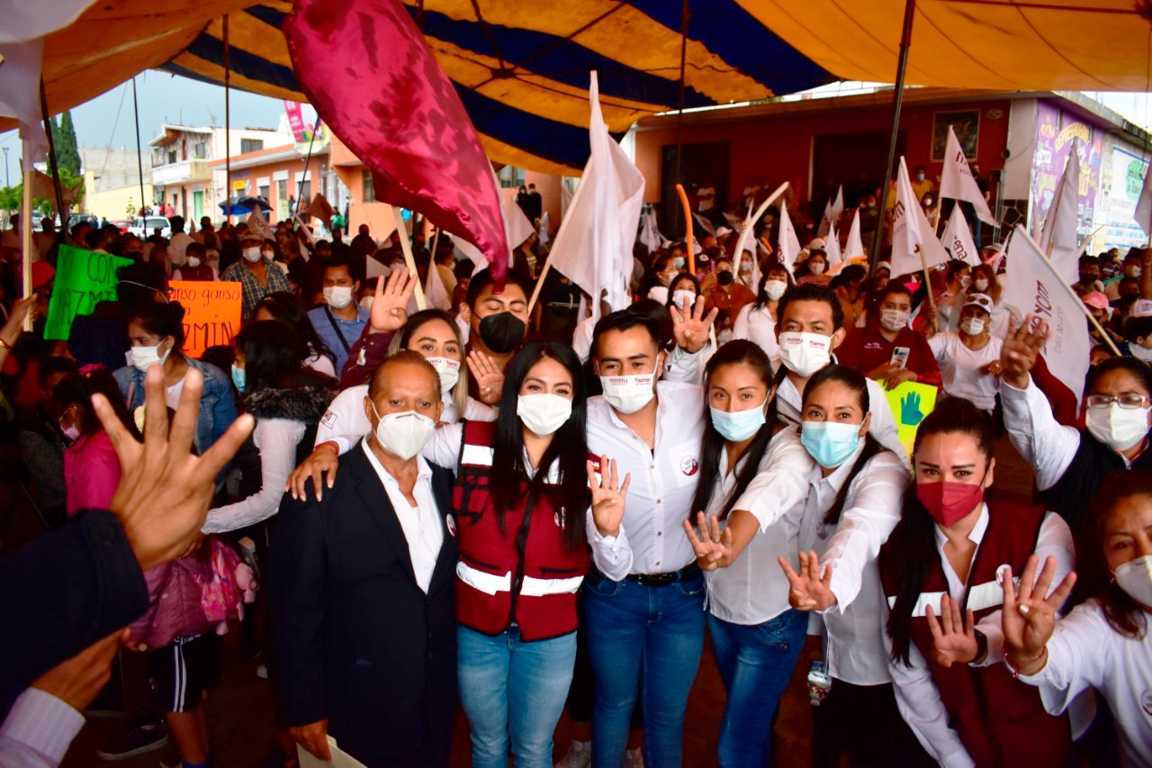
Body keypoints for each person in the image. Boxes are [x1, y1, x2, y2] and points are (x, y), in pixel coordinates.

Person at [419, 343, 608, 768]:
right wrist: (329, 448)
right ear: (515, 391)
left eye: (561, 390)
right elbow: (397, 441)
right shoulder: (469, 441)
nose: (547, 398)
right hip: (477, 630)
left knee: (534, 748)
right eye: (535, 386)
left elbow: (614, 565)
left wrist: (609, 531)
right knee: (486, 743)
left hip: (551, 638)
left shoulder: (590, 469)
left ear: (575, 400)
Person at [271, 353, 458, 767]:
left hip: (433, 697)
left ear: (439, 412)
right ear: (370, 409)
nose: (411, 414)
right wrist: (302, 706)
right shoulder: (320, 490)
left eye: (424, 404)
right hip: (357, 700)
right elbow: (293, 610)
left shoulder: (445, 482)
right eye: (396, 402)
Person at [878, 398, 1075, 767]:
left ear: (989, 472)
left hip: (1045, 734)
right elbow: (908, 669)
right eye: (930, 471)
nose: (946, 486)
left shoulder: (1039, 530)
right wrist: (953, 757)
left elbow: (1048, 627)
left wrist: (981, 645)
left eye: (963, 472)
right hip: (964, 742)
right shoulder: (896, 557)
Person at [582, 301, 716, 768]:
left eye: (638, 362)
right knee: (612, 704)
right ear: (596, 367)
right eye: (612, 365)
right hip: (613, 594)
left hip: (683, 594)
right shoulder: (581, 421)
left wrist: (692, 353)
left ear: (660, 360)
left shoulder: (693, 402)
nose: (626, 376)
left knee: (667, 714)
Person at [775, 366, 929, 767]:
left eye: (843, 415)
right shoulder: (804, 469)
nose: (829, 426)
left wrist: (829, 586)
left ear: (865, 423)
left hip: (879, 661)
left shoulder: (883, 473)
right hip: (831, 651)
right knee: (825, 744)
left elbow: (860, 531)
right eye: (817, 413)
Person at [680, 341, 814, 766]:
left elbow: (767, 493)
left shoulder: (789, 446)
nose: (732, 408)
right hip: (720, 612)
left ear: (769, 394)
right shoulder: (708, 443)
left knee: (735, 746)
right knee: (755, 719)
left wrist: (730, 545)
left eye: (746, 395)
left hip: (770, 620)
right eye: (720, 395)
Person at [1003, 471, 1151, 767]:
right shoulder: (1103, 624)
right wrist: (1030, 653)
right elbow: (1060, 655)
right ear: (1107, 565)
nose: (1145, 554)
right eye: (1122, 545)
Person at [288, 306, 498, 500]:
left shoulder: (471, 411)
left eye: (450, 349)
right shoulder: (352, 400)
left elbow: (509, 438)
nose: (441, 358)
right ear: (403, 352)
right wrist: (331, 447)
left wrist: (501, 399)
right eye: (428, 346)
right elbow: (323, 475)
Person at [1001, 320, 1152, 526]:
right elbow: (1032, 425)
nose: (1113, 409)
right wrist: (1017, 378)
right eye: (1101, 399)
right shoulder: (1069, 451)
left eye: (1129, 399)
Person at [201, 320, 335, 535]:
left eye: (239, 360)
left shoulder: (277, 417)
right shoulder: (300, 394)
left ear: (259, 363)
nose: (235, 367)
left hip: (288, 529)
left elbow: (272, 500)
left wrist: (202, 523)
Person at [772, 284, 904, 457]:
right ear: (777, 333)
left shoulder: (869, 392)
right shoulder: (757, 384)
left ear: (837, 337)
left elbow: (894, 456)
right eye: (792, 327)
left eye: (817, 329)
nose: (804, 336)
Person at [114, 302, 237, 453]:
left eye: (143, 341)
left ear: (168, 342)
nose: (135, 349)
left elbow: (225, 442)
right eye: (132, 342)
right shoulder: (124, 380)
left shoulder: (212, 380)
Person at [54, 367, 134, 518]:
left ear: (73, 411)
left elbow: (100, 517)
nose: (61, 422)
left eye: (63, 415)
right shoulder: (112, 434)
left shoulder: (94, 455)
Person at [836, 282, 941, 388]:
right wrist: (872, 376)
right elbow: (839, 378)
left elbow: (937, 382)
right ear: (880, 307)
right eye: (890, 306)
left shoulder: (917, 339)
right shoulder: (857, 336)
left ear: (910, 310)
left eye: (903, 308)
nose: (896, 312)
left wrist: (914, 376)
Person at [927, 293, 1003, 412]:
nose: (973, 318)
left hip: (981, 411)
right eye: (969, 313)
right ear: (962, 315)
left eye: (979, 315)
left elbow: (1012, 379)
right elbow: (921, 351)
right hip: (947, 406)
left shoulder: (999, 347)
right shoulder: (945, 339)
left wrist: (1004, 367)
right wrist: (927, 328)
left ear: (988, 320)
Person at [252, 292, 337, 378]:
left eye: (276, 327)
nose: (267, 334)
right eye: (261, 327)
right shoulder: (255, 361)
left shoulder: (317, 364)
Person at [306, 257, 369, 373]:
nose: (334, 288)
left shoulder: (371, 320)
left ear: (356, 285)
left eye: (342, 282)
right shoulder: (310, 320)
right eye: (329, 282)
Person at [221, 230, 291, 320]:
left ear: (262, 245)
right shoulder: (231, 273)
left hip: (279, 324)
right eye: (245, 243)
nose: (249, 246)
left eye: (253, 242)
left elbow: (288, 297)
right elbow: (226, 307)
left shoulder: (275, 268)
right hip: (250, 326)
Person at [732, 265, 789, 367]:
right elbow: (737, 343)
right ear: (764, 282)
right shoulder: (748, 310)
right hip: (756, 367)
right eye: (772, 278)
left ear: (788, 285)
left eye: (781, 280)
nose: (776, 282)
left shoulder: (793, 311)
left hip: (787, 368)